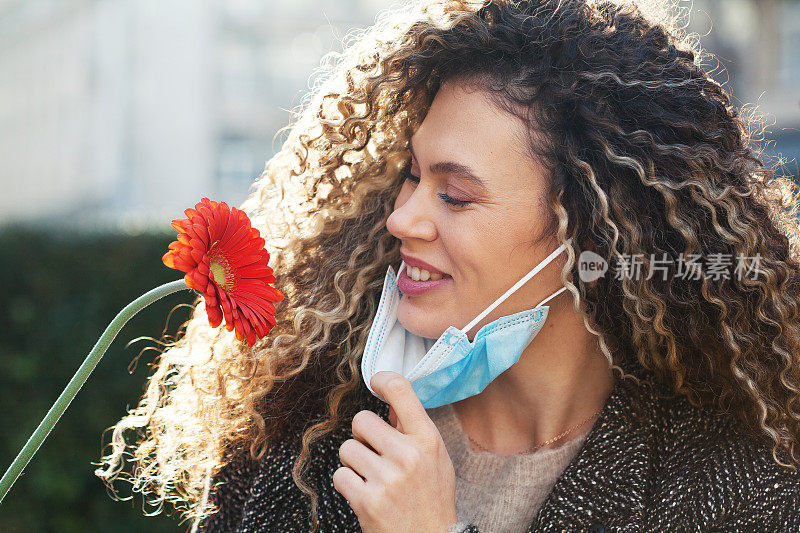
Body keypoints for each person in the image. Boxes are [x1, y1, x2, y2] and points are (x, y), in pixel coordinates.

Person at [94, 0, 800, 531]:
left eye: (455, 194)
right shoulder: (301, 440)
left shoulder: (734, 481)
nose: (403, 218)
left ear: (589, 239)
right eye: (411, 175)